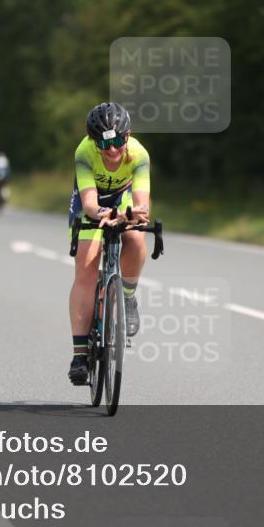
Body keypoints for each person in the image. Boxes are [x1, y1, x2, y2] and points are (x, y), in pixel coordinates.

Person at [67, 102, 150, 385]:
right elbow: (89, 203)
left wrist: (128, 215)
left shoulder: (139, 155)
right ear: (93, 141)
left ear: (127, 136)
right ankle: (79, 354)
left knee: (137, 238)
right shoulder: (84, 152)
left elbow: (141, 205)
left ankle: (126, 295)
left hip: (123, 198)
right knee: (87, 268)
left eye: (117, 141)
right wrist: (104, 215)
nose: (112, 149)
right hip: (92, 202)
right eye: (104, 143)